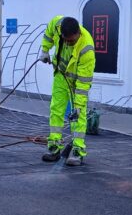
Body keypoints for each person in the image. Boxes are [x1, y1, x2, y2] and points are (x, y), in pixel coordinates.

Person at [38, 16, 96, 166]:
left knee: (78, 114)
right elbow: (48, 33)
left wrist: (78, 105)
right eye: (66, 40)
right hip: (60, 75)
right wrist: (45, 50)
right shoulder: (57, 24)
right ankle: (54, 147)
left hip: (77, 81)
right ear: (61, 33)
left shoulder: (86, 49)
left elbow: (83, 84)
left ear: (78, 33)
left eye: (72, 40)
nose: (69, 43)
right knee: (56, 109)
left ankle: (77, 150)